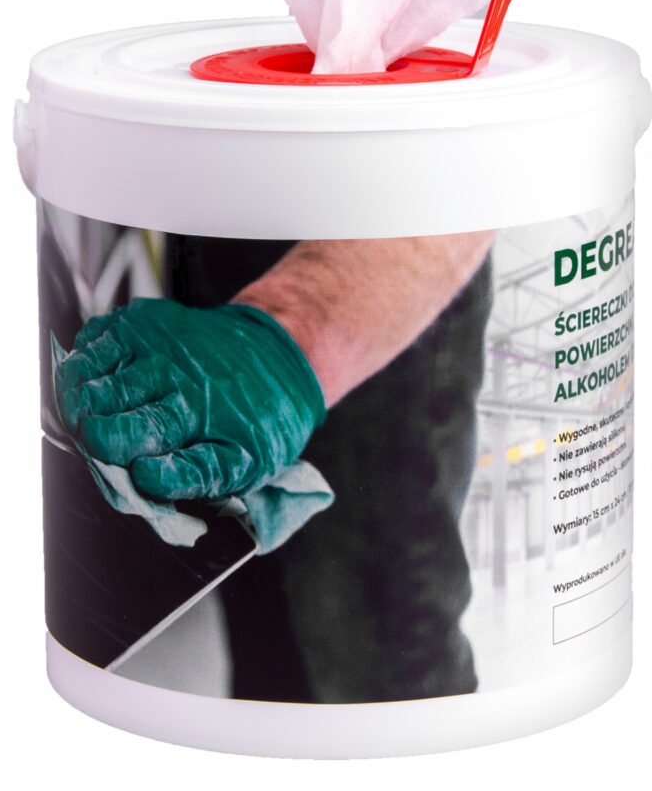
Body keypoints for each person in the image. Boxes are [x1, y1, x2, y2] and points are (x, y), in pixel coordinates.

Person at [54, 230, 496, 703]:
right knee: (267, 647)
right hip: (223, 267)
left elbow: (471, 185)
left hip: (373, 284)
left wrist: (294, 330)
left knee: (379, 654)